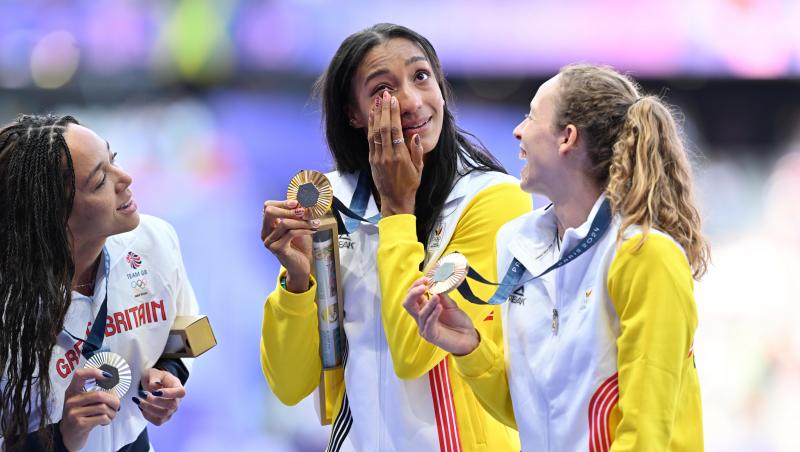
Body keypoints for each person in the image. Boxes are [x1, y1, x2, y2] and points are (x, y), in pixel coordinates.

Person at [403, 64, 709, 451]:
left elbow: (645, 435)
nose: (518, 130)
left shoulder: (645, 255)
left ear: (567, 138)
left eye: (531, 115)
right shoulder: (519, 248)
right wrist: (470, 347)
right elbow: (536, 414)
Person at [259, 23, 529, 452]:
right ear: (354, 113)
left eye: (421, 77)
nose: (411, 101)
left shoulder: (491, 201)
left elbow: (413, 355)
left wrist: (397, 209)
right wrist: (297, 282)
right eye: (383, 89)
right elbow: (291, 386)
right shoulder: (334, 206)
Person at [0, 114, 199, 451]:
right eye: (99, 180)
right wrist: (61, 438)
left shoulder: (154, 240)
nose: (125, 178)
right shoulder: (9, 303)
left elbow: (192, 325)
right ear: (54, 215)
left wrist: (171, 370)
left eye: (113, 160)